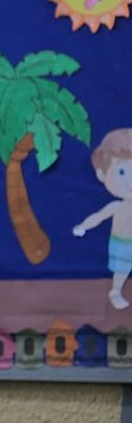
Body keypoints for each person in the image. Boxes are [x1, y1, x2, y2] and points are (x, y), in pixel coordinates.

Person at [73, 128, 132, 310]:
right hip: (122, 243)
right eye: (122, 171)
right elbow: (98, 217)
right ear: (102, 174)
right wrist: (83, 226)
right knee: (122, 269)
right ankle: (115, 290)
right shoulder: (117, 206)